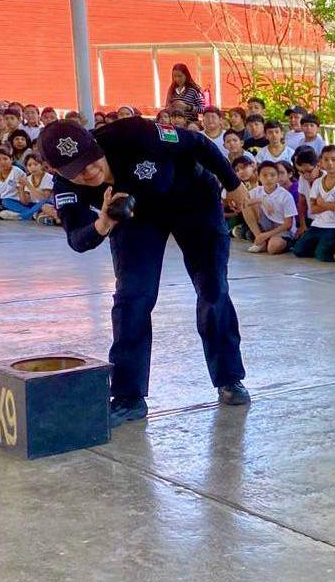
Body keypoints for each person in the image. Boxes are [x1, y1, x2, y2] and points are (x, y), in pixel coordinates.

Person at [39, 117, 250, 425]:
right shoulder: (65, 187)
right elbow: (77, 239)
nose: (90, 171)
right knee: (132, 298)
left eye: (91, 159)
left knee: (212, 288)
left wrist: (233, 183)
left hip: (193, 201)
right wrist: (102, 224)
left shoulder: (135, 133)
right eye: (77, 170)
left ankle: (229, 378)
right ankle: (128, 396)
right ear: (56, 171)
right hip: (135, 220)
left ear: (95, 143)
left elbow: (198, 143)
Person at [292, 145, 335, 261]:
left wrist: (322, 204)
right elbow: (313, 209)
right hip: (317, 223)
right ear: (321, 162)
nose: (330, 163)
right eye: (326, 160)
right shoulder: (317, 183)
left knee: (322, 255)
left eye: (333, 159)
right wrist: (332, 205)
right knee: (298, 250)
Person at [242, 160, 298, 255]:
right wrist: (262, 200)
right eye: (264, 175)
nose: (269, 178)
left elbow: (288, 224)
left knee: (273, 248)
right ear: (259, 177)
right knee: (246, 206)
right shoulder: (257, 191)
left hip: (282, 229)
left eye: (272, 175)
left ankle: (265, 240)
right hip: (265, 226)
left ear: (277, 177)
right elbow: (244, 203)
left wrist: (266, 235)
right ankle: (260, 240)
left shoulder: (286, 196)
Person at [23, 152, 59, 225]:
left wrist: (29, 185)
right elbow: (26, 201)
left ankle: (58, 219)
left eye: (36, 164)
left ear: (41, 165)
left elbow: (44, 198)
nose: (33, 167)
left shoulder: (49, 177)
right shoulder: (28, 178)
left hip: (49, 204)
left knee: (44, 207)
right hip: (34, 206)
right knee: (38, 214)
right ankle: (49, 218)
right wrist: (20, 188)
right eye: (29, 165)